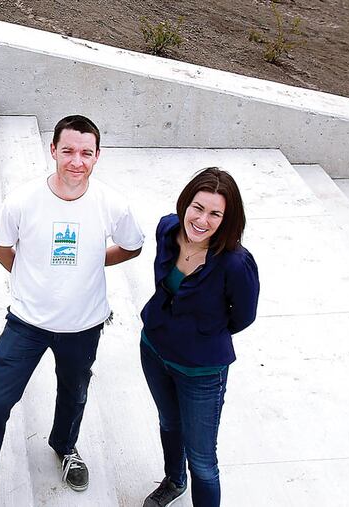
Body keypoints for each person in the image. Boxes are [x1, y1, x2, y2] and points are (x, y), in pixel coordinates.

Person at [0, 115, 145, 507]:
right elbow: (0, 246)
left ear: (97, 156)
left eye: (86, 153)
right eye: (69, 151)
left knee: (74, 394)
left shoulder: (112, 204)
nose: (77, 161)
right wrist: (27, 274)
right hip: (26, 324)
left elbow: (132, 245)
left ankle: (65, 446)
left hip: (84, 325)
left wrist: (92, 262)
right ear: (53, 150)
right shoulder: (22, 201)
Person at [139, 167, 259, 507]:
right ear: (185, 204)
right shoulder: (167, 229)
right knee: (168, 422)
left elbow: (243, 316)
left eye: (215, 213)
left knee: (203, 462)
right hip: (154, 350)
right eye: (197, 207)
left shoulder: (236, 264)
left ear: (227, 218)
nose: (202, 220)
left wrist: (201, 334)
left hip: (201, 372)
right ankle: (174, 481)